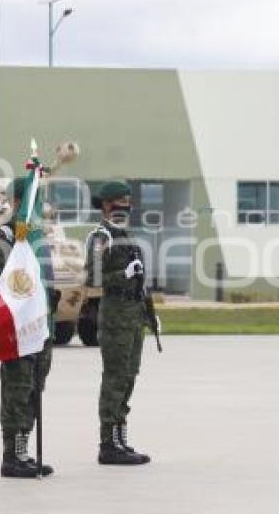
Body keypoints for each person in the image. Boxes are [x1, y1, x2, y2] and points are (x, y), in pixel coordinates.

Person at [0, 177, 57, 478]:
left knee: (34, 390)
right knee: (16, 391)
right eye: (30, 201)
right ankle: (11, 456)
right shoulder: (5, 236)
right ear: (17, 203)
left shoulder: (38, 236)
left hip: (42, 327)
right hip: (18, 327)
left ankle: (23, 451)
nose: (36, 207)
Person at [85, 181, 151, 465]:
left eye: (129, 202)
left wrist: (150, 313)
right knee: (114, 380)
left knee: (128, 378)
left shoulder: (125, 236)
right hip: (115, 318)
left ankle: (121, 438)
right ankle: (108, 444)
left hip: (133, 317)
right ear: (107, 205)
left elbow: (139, 281)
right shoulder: (101, 237)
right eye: (121, 202)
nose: (127, 207)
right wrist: (122, 274)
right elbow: (93, 279)